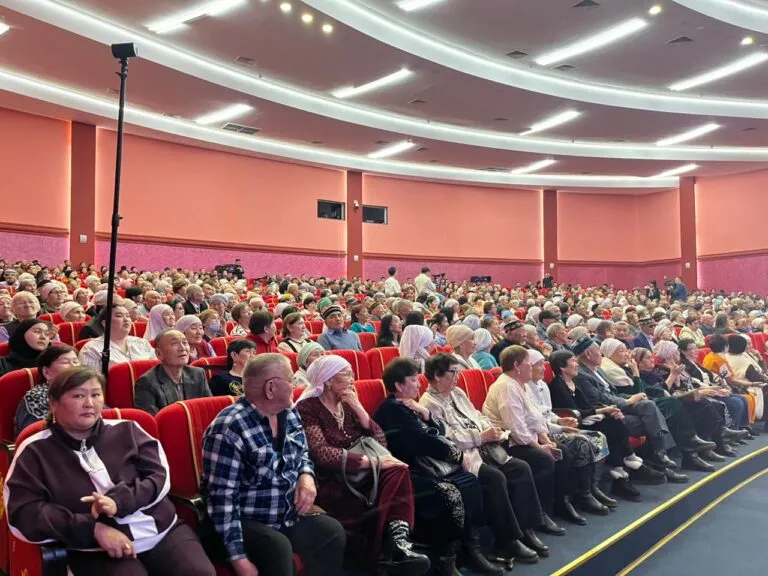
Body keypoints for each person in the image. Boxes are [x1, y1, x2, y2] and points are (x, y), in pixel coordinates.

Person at [5, 366, 215, 576]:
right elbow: (25, 511)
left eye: (96, 395)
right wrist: (93, 529)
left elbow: (159, 477)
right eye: (78, 396)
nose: (89, 403)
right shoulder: (35, 451)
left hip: (159, 530)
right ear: (54, 403)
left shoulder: (128, 430)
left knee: (199, 572)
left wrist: (119, 501)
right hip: (91, 546)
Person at [202, 354, 346, 576]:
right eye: (290, 380)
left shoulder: (289, 413)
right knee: (277, 547)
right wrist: (238, 559)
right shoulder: (228, 429)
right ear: (270, 388)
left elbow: (302, 453)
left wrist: (306, 476)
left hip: (285, 512)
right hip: (246, 519)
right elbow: (222, 501)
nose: (296, 385)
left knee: (331, 531)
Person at [295, 355, 429, 575]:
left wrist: (360, 410)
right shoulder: (308, 408)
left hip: (365, 471)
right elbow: (321, 453)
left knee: (398, 470)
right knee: (396, 471)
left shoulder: (347, 404)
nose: (352, 379)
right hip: (334, 477)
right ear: (328, 380)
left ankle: (396, 545)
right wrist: (371, 462)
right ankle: (391, 549)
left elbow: (381, 443)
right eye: (346, 375)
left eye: (352, 374)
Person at [374, 357, 504, 575]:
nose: (419, 384)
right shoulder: (392, 410)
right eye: (413, 380)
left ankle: (472, 549)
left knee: (469, 482)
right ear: (399, 385)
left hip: (428, 465)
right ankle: (446, 559)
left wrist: (426, 414)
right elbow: (423, 442)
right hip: (409, 471)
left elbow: (441, 432)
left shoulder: (410, 406)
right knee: (449, 493)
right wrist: (458, 456)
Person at [418, 354, 550, 566]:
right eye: (453, 372)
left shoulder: (457, 393)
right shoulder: (429, 403)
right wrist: (481, 436)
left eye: (458, 372)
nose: (458, 377)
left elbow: (477, 415)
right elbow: (447, 438)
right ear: (437, 376)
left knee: (520, 468)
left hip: (485, 447)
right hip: (464, 457)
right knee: (495, 478)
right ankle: (507, 539)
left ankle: (527, 528)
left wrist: (490, 429)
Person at [570, 338, 673, 482]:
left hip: (618, 403)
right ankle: (658, 458)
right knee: (651, 420)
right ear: (588, 354)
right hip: (608, 410)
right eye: (598, 351)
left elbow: (613, 392)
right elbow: (600, 398)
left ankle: (659, 454)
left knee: (649, 405)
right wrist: (628, 401)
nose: (601, 354)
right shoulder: (581, 375)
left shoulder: (598, 369)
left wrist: (631, 397)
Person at [548, 350, 641, 502]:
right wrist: (602, 411)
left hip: (585, 418)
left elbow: (587, 405)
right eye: (573, 361)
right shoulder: (557, 385)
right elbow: (575, 412)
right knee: (608, 427)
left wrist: (608, 410)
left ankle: (619, 469)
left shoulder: (573, 383)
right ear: (562, 367)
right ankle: (598, 483)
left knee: (614, 419)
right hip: (573, 423)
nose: (576, 364)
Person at [134, 330, 211, 415]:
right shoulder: (147, 383)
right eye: (174, 344)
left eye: (185, 343)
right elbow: (152, 420)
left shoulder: (198, 374)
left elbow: (209, 410)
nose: (183, 348)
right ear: (159, 354)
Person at [14, 344, 80, 436]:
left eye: (76, 362)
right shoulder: (36, 398)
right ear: (47, 372)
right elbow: (35, 436)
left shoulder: (87, 392)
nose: (74, 366)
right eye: (65, 362)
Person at [79, 306, 156, 370]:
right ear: (105, 323)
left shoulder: (142, 343)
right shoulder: (91, 349)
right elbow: (91, 380)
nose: (126, 319)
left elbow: (157, 368)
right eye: (119, 316)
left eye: (128, 316)